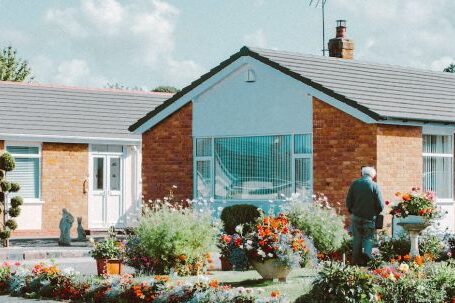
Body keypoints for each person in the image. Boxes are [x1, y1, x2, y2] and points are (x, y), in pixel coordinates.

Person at [346, 166, 384, 266]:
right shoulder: (374, 186)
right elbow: (381, 205)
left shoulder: (354, 184)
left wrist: (352, 211)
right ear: (373, 175)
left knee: (357, 239)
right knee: (368, 238)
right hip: (370, 217)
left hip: (356, 216)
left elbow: (348, 201)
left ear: (362, 174)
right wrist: (375, 213)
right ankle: (367, 260)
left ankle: (355, 263)